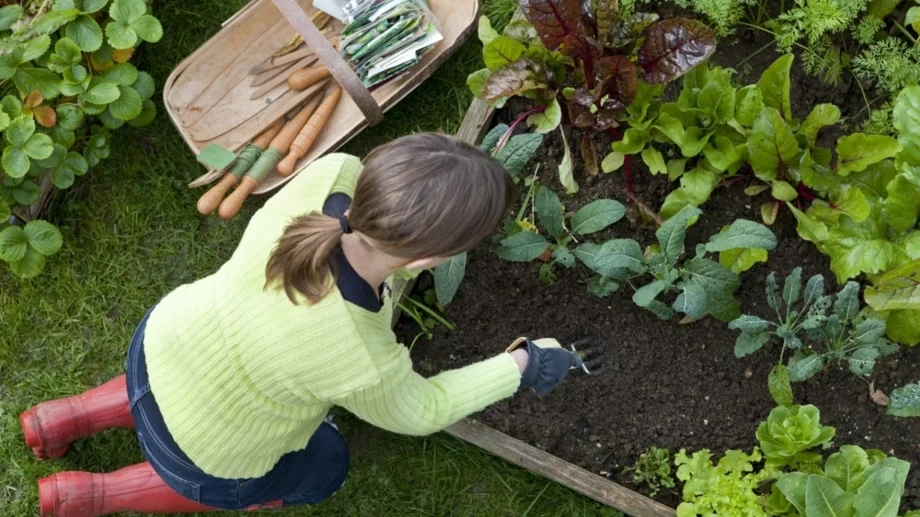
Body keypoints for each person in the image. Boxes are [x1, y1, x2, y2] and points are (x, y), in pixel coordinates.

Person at [21, 133, 592, 516]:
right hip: (202, 454)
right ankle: (89, 496)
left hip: (163, 342)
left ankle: (60, 418)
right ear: (425, 263)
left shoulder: (331, 175)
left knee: (181, 383)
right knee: (325, 466)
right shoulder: (358, 353)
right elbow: (424, 410)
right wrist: (524, 363)